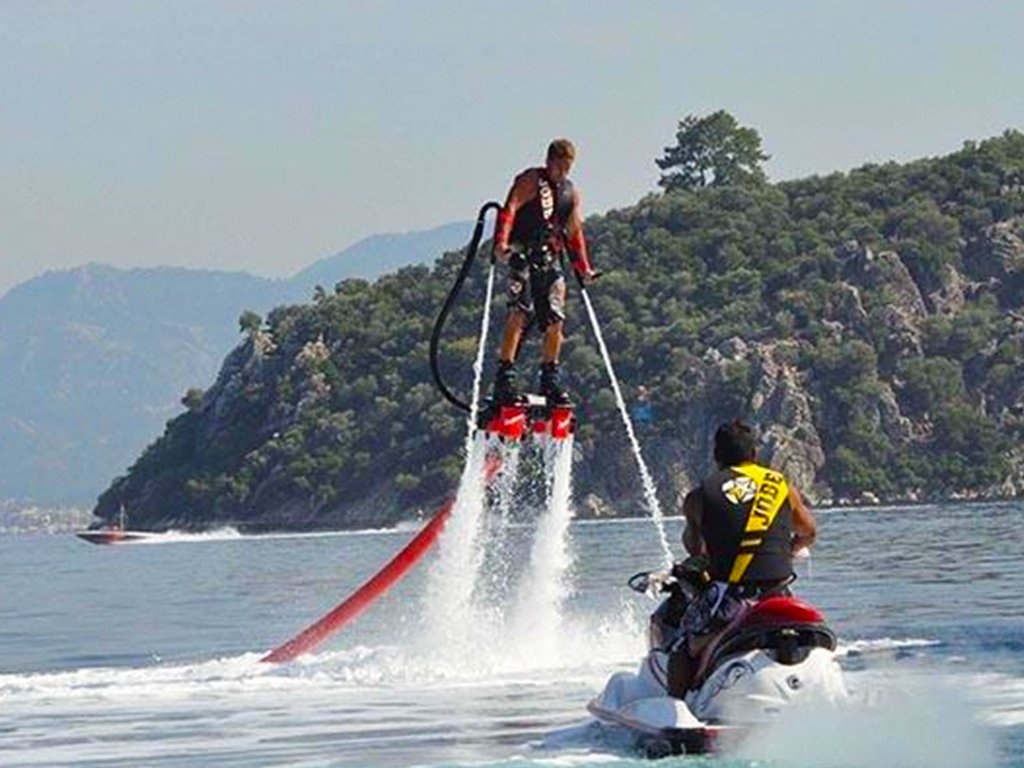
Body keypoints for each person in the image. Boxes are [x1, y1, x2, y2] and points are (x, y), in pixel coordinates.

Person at [661, 419, 817, 697]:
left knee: (683, 645)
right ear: (754, 454)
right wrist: (787, 551)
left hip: (731, 597)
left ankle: (679, 711)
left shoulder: (699, 497)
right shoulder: (780, 486)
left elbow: (696, 550)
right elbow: (808, 532)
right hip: (778, 593)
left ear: (716, 457)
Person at [489, 138, 599, 406]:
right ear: (549, 161)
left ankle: (549, 377)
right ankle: (506, 375)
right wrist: (501, 243)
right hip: (522, 252)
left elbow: (574, 232)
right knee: (520, 311)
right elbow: (510, 209)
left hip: (550, 257)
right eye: (559, 166)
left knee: (555, 319)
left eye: (567, 167)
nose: (562, 172)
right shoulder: (530, 180)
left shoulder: (570, 193)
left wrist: (584, 267)